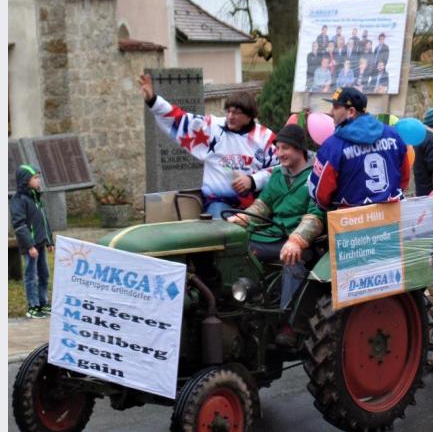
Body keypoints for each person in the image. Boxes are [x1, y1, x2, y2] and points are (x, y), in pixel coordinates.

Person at [227, 124, 324, 346]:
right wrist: (240, 219)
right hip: (273, 234)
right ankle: (245, 304)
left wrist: (297, 240)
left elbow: (315, 215)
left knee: (291, 258)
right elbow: (263, 205)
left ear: (300, 149)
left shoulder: (315, 176)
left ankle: (289, 322)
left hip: (299, 240)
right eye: (277, 148)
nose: (279, 154)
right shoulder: (278, 173)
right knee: (239, 249)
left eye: (285, 148)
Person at [139, 74, 278, 218]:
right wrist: (153, 100)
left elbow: (279, 169)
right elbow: (180, 118)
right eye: (228, 111)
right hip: (219, 201)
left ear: (249, 116)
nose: (230, 116)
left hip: (256, 204)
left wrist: (253, 180)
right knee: (221, 233)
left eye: (236, 113)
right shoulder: (212, 128)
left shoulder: (265, 137)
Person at [309, 87, 409, 209]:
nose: (330, 112)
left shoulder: (332, 146)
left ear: (351, 111)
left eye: (335, 107)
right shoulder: (393, 135)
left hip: (351, 221)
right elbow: (404, 179)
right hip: (392, 216)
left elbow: (320, 195)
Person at [11, 165, 54, 319]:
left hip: (41, 244)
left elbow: (43, 221)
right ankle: (33, 306)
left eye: (38, 177)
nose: (38, 180)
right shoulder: (19, 200)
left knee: (44, 274)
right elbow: (20, 225)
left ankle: (43, 302)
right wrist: (30, 245)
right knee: (31, 275)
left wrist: (49, 241)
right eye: (35, 178)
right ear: (25, 181)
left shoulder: (36, 198)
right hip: (31, 247)